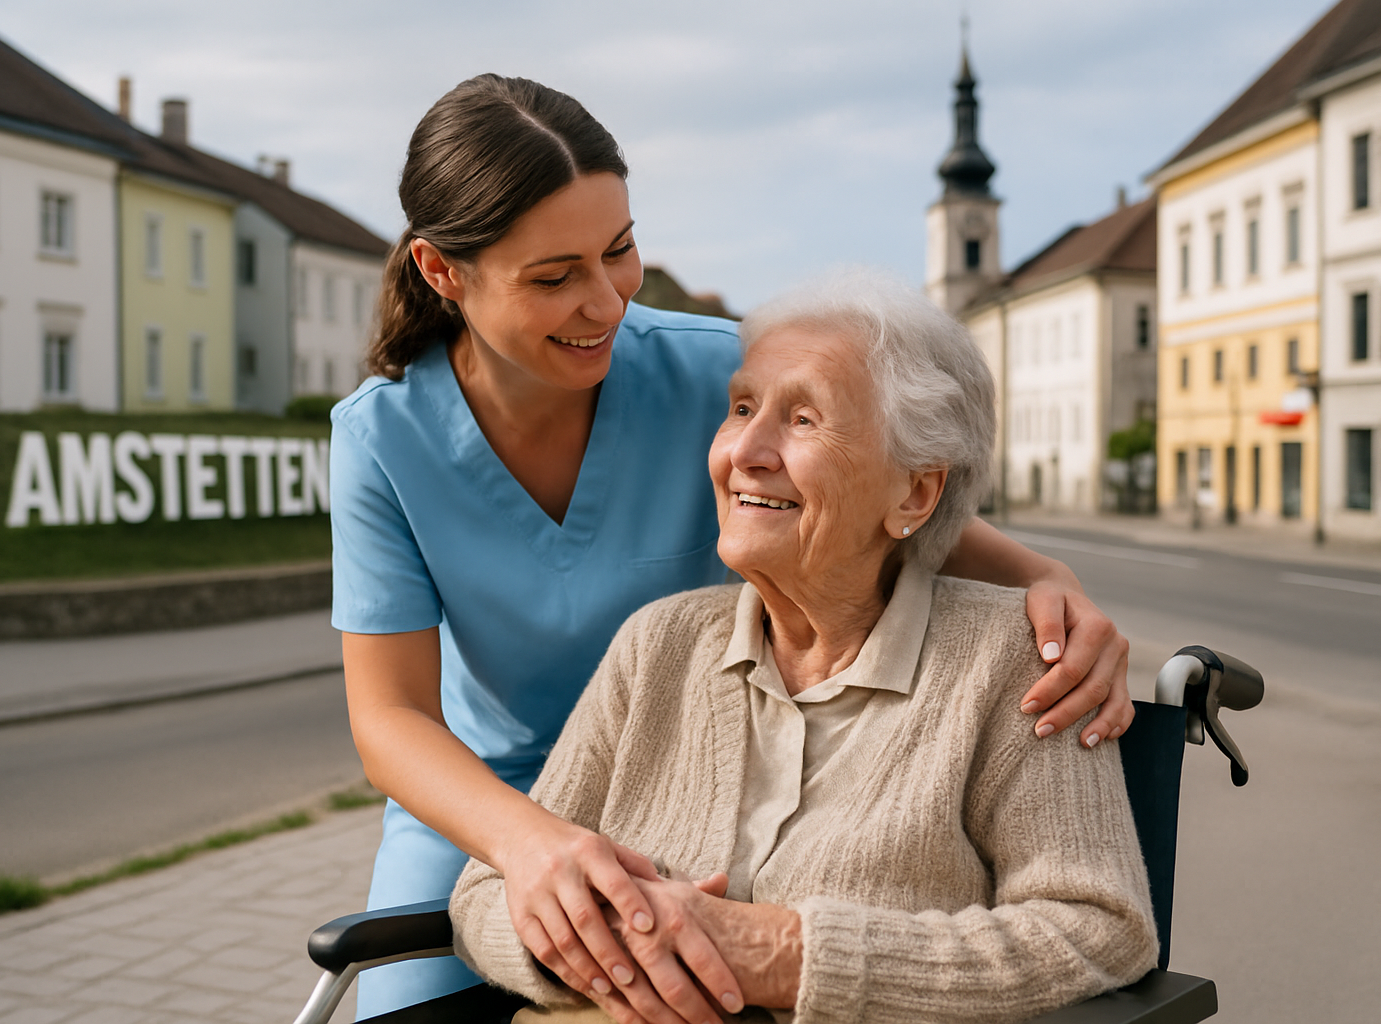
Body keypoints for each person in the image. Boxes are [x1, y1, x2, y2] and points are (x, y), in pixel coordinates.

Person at [330, 75, 1134, 1022]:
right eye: (554, 277)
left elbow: (899, 491)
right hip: (491, 795)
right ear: (442, 273)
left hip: (701, 762)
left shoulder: (715, 371)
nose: (605, 303)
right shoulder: (384, 438)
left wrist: (1051, 585)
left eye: (620, 252)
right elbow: (390, 720)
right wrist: (533, 847)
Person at [450, 269, 1157, 1024]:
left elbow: (1098, 929)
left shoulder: (1014, 662)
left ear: (915, 493)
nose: (744, 451)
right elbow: (482, 897)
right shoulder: (657, 645)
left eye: (805, 420)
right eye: (743, 408)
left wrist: (784, 954)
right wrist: (612, 949)